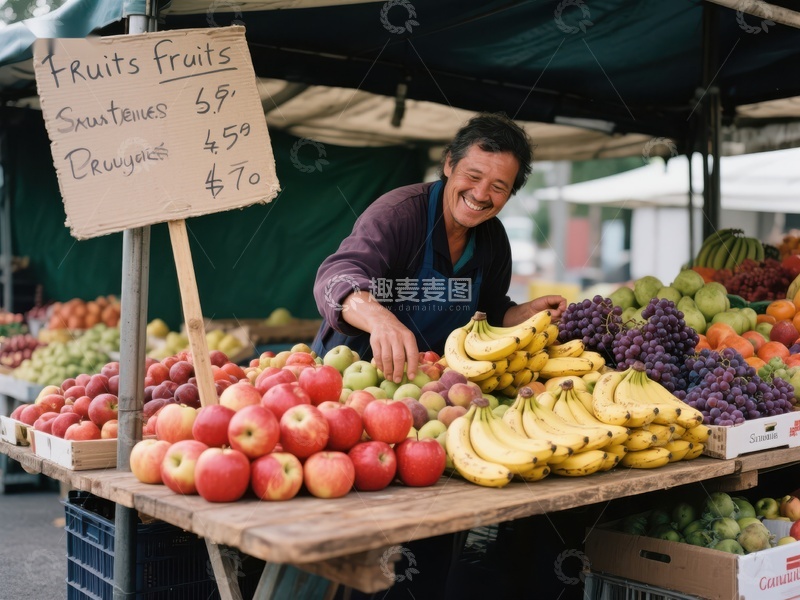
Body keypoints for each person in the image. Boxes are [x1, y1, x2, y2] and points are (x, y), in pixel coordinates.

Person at [312, 112, 566, 382]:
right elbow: (335, 278)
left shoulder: (494, 240)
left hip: (426, 393)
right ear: (448, 164)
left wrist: (528, 314)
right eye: (473, 176)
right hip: (345, 381)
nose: (480, 195)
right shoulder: (398, 215)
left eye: (498, 187)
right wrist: (379, 319)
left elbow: (489, 315)